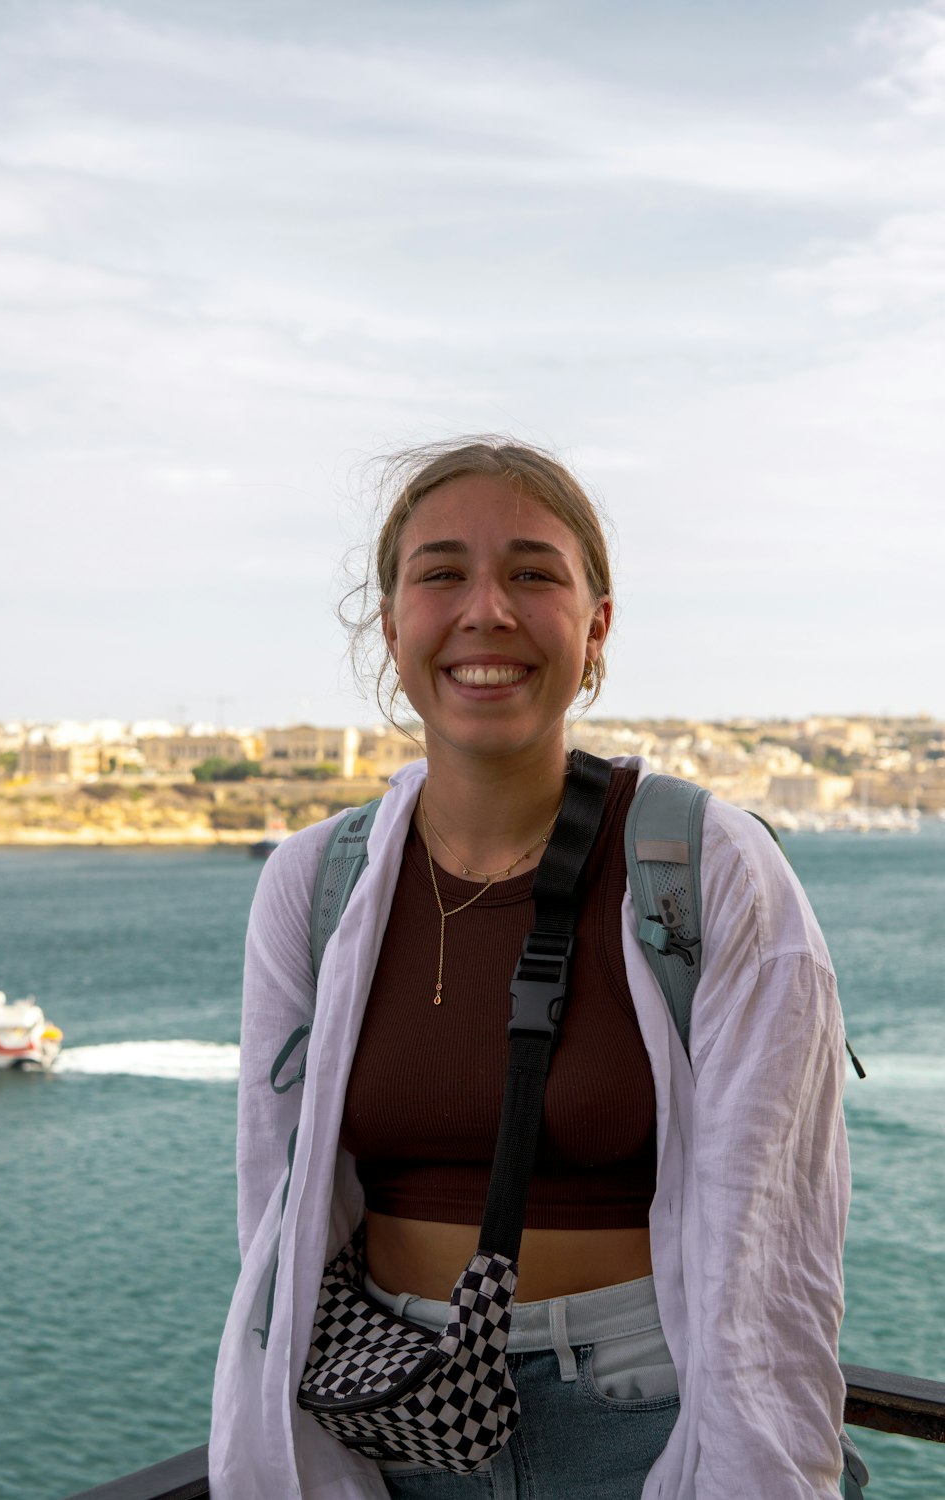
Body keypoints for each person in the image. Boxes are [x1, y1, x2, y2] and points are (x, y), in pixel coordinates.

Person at [210, 439, 850, 1499]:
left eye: (534, 573)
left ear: (596, 627)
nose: (486, 610)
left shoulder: (709, 869)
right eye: (442, 572)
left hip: (639, 1417)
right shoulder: (310, 884)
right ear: (391, 624)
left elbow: (776, 1244)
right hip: (388, 1411)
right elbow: (273, 1215)